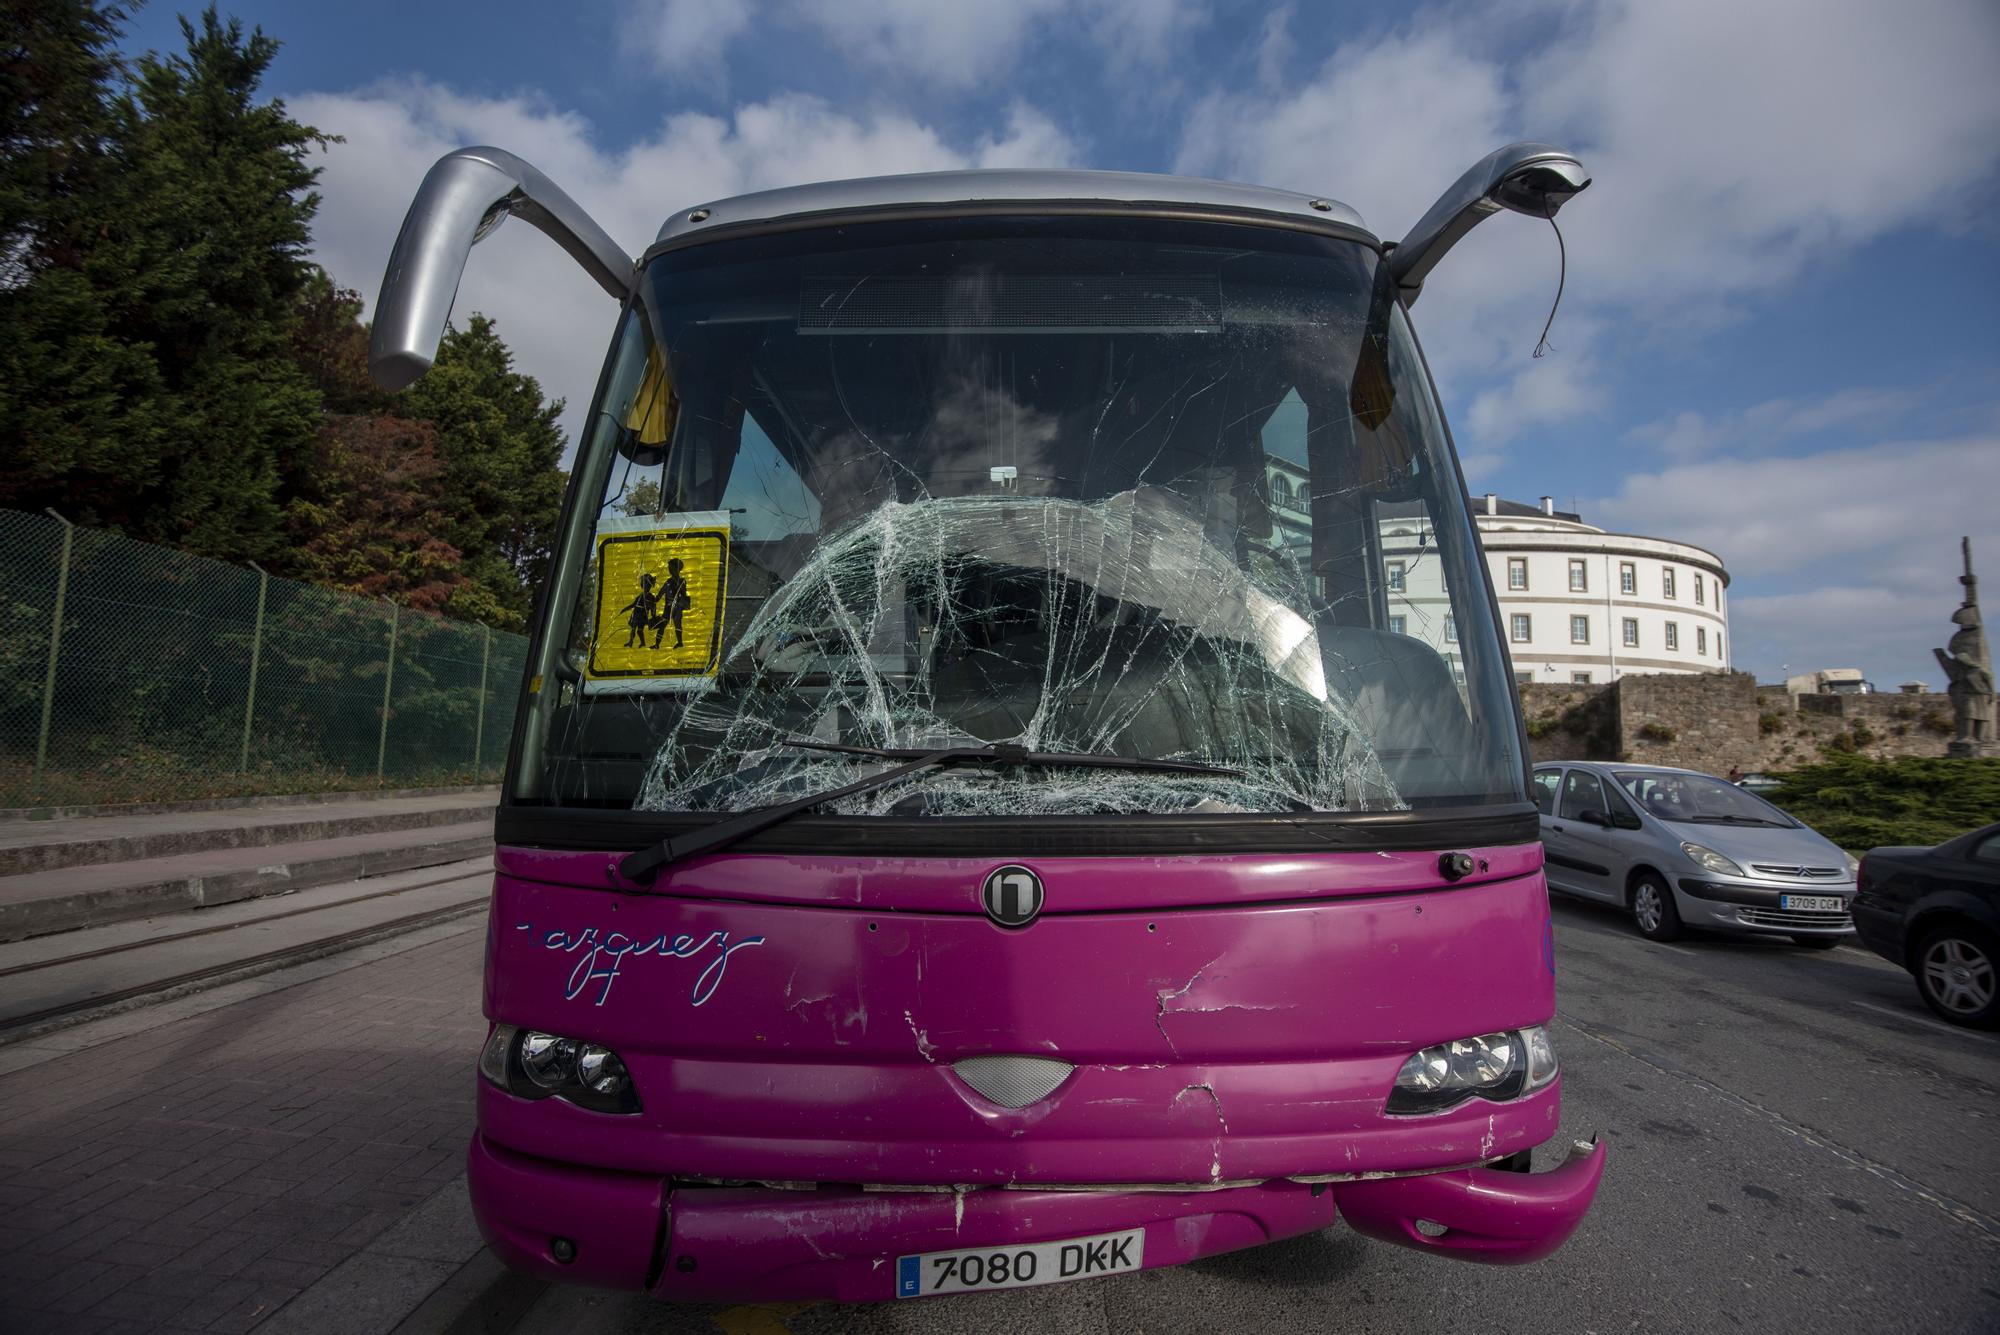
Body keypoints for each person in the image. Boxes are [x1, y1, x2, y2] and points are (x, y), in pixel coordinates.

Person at [654, 558, 691, 650]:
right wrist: (654, 599)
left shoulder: (682, 581)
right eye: (669, 568)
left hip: (677, 607)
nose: (669, 570)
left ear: (676, 569)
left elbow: (683, 593)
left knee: (677, 624)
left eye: (671, 568)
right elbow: (661, 593)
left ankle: (680, 643)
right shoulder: (668, 582)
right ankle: (657, 644)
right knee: (663, 625)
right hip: (668, 607)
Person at [619, 573, 658, 648]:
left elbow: (653, 606)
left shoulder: (650, 596)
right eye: (643, 584)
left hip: (642, 615)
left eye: (645, 584)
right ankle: (630, 642)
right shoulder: (640, 595)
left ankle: (642, 643)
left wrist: (653, 617)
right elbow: (633, 604)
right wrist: (625, 609)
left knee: (639, 631)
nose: (644, 586)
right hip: (636, 614)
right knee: (633, 629)